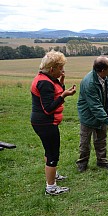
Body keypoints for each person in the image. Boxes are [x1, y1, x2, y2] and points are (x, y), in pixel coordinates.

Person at [31, 50, 76, 195]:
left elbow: (53, 94)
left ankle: (53, 174)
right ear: (52, 69)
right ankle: (51, 187)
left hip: (43, 123)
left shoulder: (46, 78)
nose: (63, 70)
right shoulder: (44, 83)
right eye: (60, 68)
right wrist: (64, 95)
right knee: (53, 154)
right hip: (45, 123)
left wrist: (61, 84)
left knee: (48, 150)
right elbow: (48, 108)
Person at [76, 56, 108, 172]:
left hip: (102, 113)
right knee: (85, 142)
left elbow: (107, 98)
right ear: (102, 70)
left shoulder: (107, 78)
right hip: (88, 115)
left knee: (101, 139)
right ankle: (82, 164)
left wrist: (107, 114)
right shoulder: (89, 83)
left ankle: (102, 161)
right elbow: (95, 106)